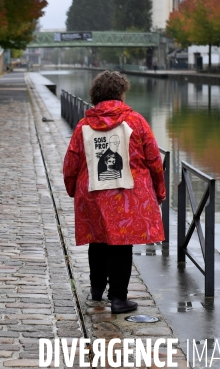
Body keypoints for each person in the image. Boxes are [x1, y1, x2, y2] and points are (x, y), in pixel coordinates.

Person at [63, 71, 166, 314]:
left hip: (92, 193)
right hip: (128, 194)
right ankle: (119, 298)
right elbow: (154, 159)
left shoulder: (83, 125)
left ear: (95, 94)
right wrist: (159, 191)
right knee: (121, 244)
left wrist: (72, 190)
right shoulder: (136, 121)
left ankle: (97, 290)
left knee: (97, 239)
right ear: (121, 93)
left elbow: (71, 163)